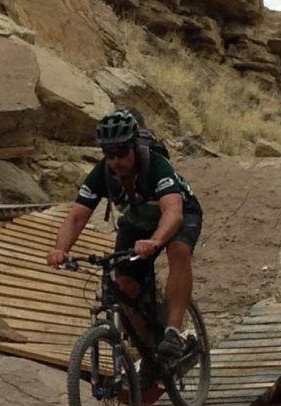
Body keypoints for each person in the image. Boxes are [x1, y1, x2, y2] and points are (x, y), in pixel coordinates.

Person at [47, 107, 203, 368]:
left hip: (179, 215)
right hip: (137, 222)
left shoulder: (156, 165)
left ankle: (174, 334)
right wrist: (60, 249)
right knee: (124, 286)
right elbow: (76, 217)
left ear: (133, 147)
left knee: (178, 250)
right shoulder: (102, 173)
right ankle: (152, 353)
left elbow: (173, 212)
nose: (116, 160)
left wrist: (156, 241)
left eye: (121, 152)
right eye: (109, 154)